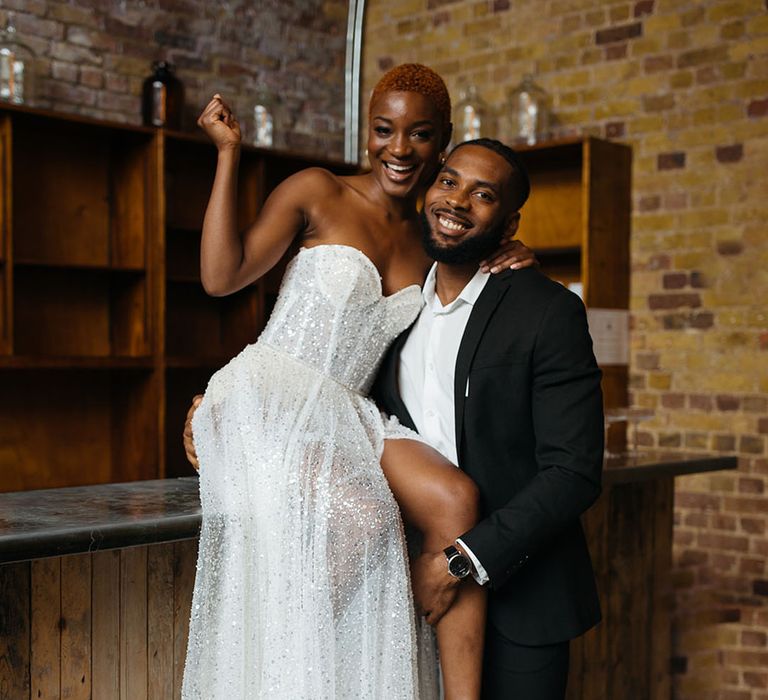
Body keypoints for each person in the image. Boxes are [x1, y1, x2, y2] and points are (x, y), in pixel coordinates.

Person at [181, 64, 536, 700]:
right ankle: (295, 677)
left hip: (348, 407)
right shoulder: (318, 191)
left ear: (443, 139)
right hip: (270, 390)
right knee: (361, 513)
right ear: (366, 131)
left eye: (420, 135)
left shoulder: (437, 236)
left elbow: (488, 238)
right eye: (383, 130)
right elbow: (220, 275)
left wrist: (522, 255)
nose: (399, 149)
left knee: (456, 498)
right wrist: (229, 153)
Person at [372, 138, 604, 699]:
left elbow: (573, 472)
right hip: (407, 595)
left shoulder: (547, 311)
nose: (457, 202)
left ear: (508, 220)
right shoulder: (393, 309)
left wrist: (459, 562)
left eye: (483, 195)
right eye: (449, 182)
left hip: (521, 598)